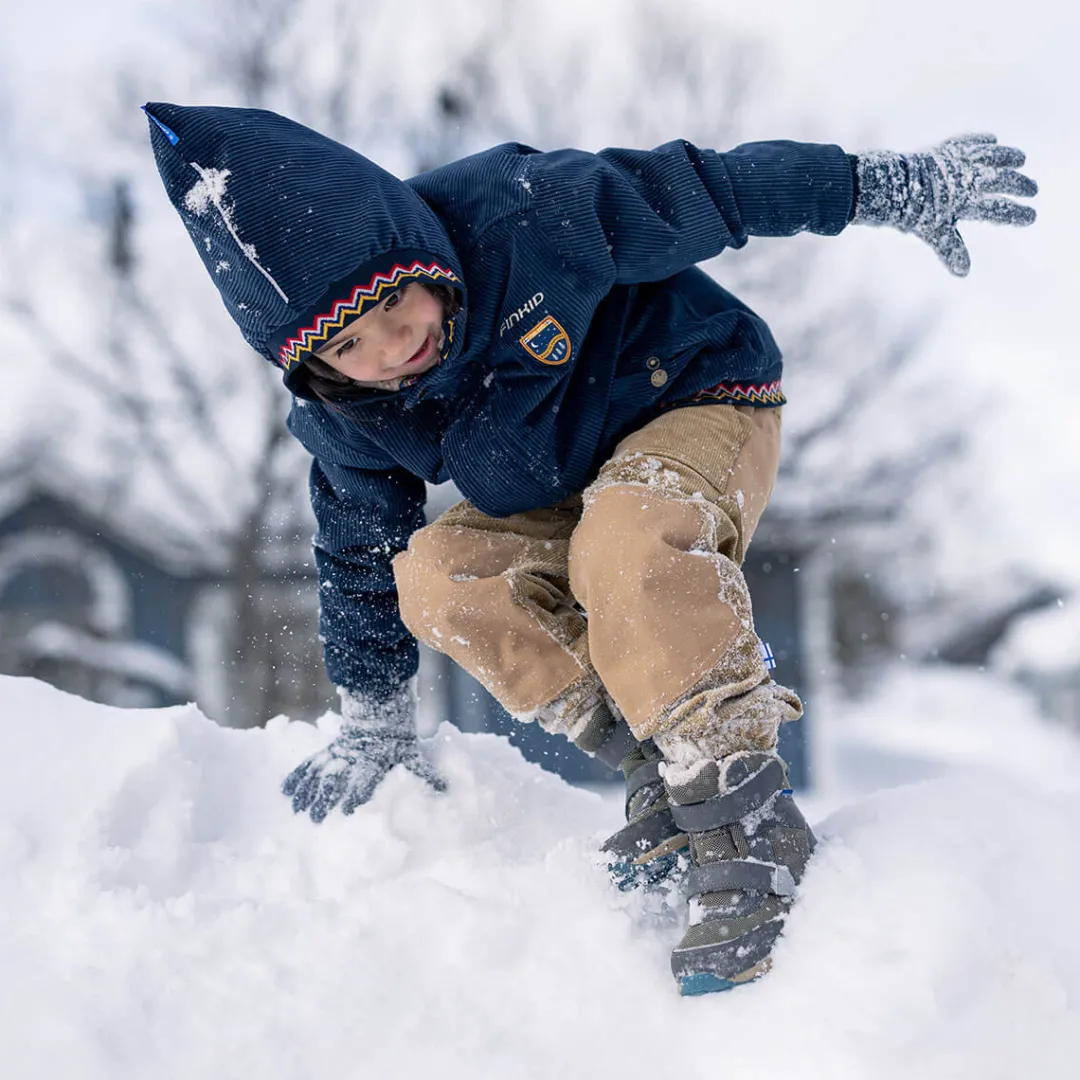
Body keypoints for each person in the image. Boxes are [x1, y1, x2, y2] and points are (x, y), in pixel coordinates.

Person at [145, 102, 1036, 994]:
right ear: (314, 364)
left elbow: (711, 189)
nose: (391, 346)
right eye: (348, 343)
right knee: (441, 578)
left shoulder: (529, 216)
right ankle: (659, 763)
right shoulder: (348, 413)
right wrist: (375, 713)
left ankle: (745, 808)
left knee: (629, 544)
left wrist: (878, 186)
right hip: (563, 488)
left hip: (698, 398)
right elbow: (358, 554)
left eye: (388, 300)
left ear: (412, 247)